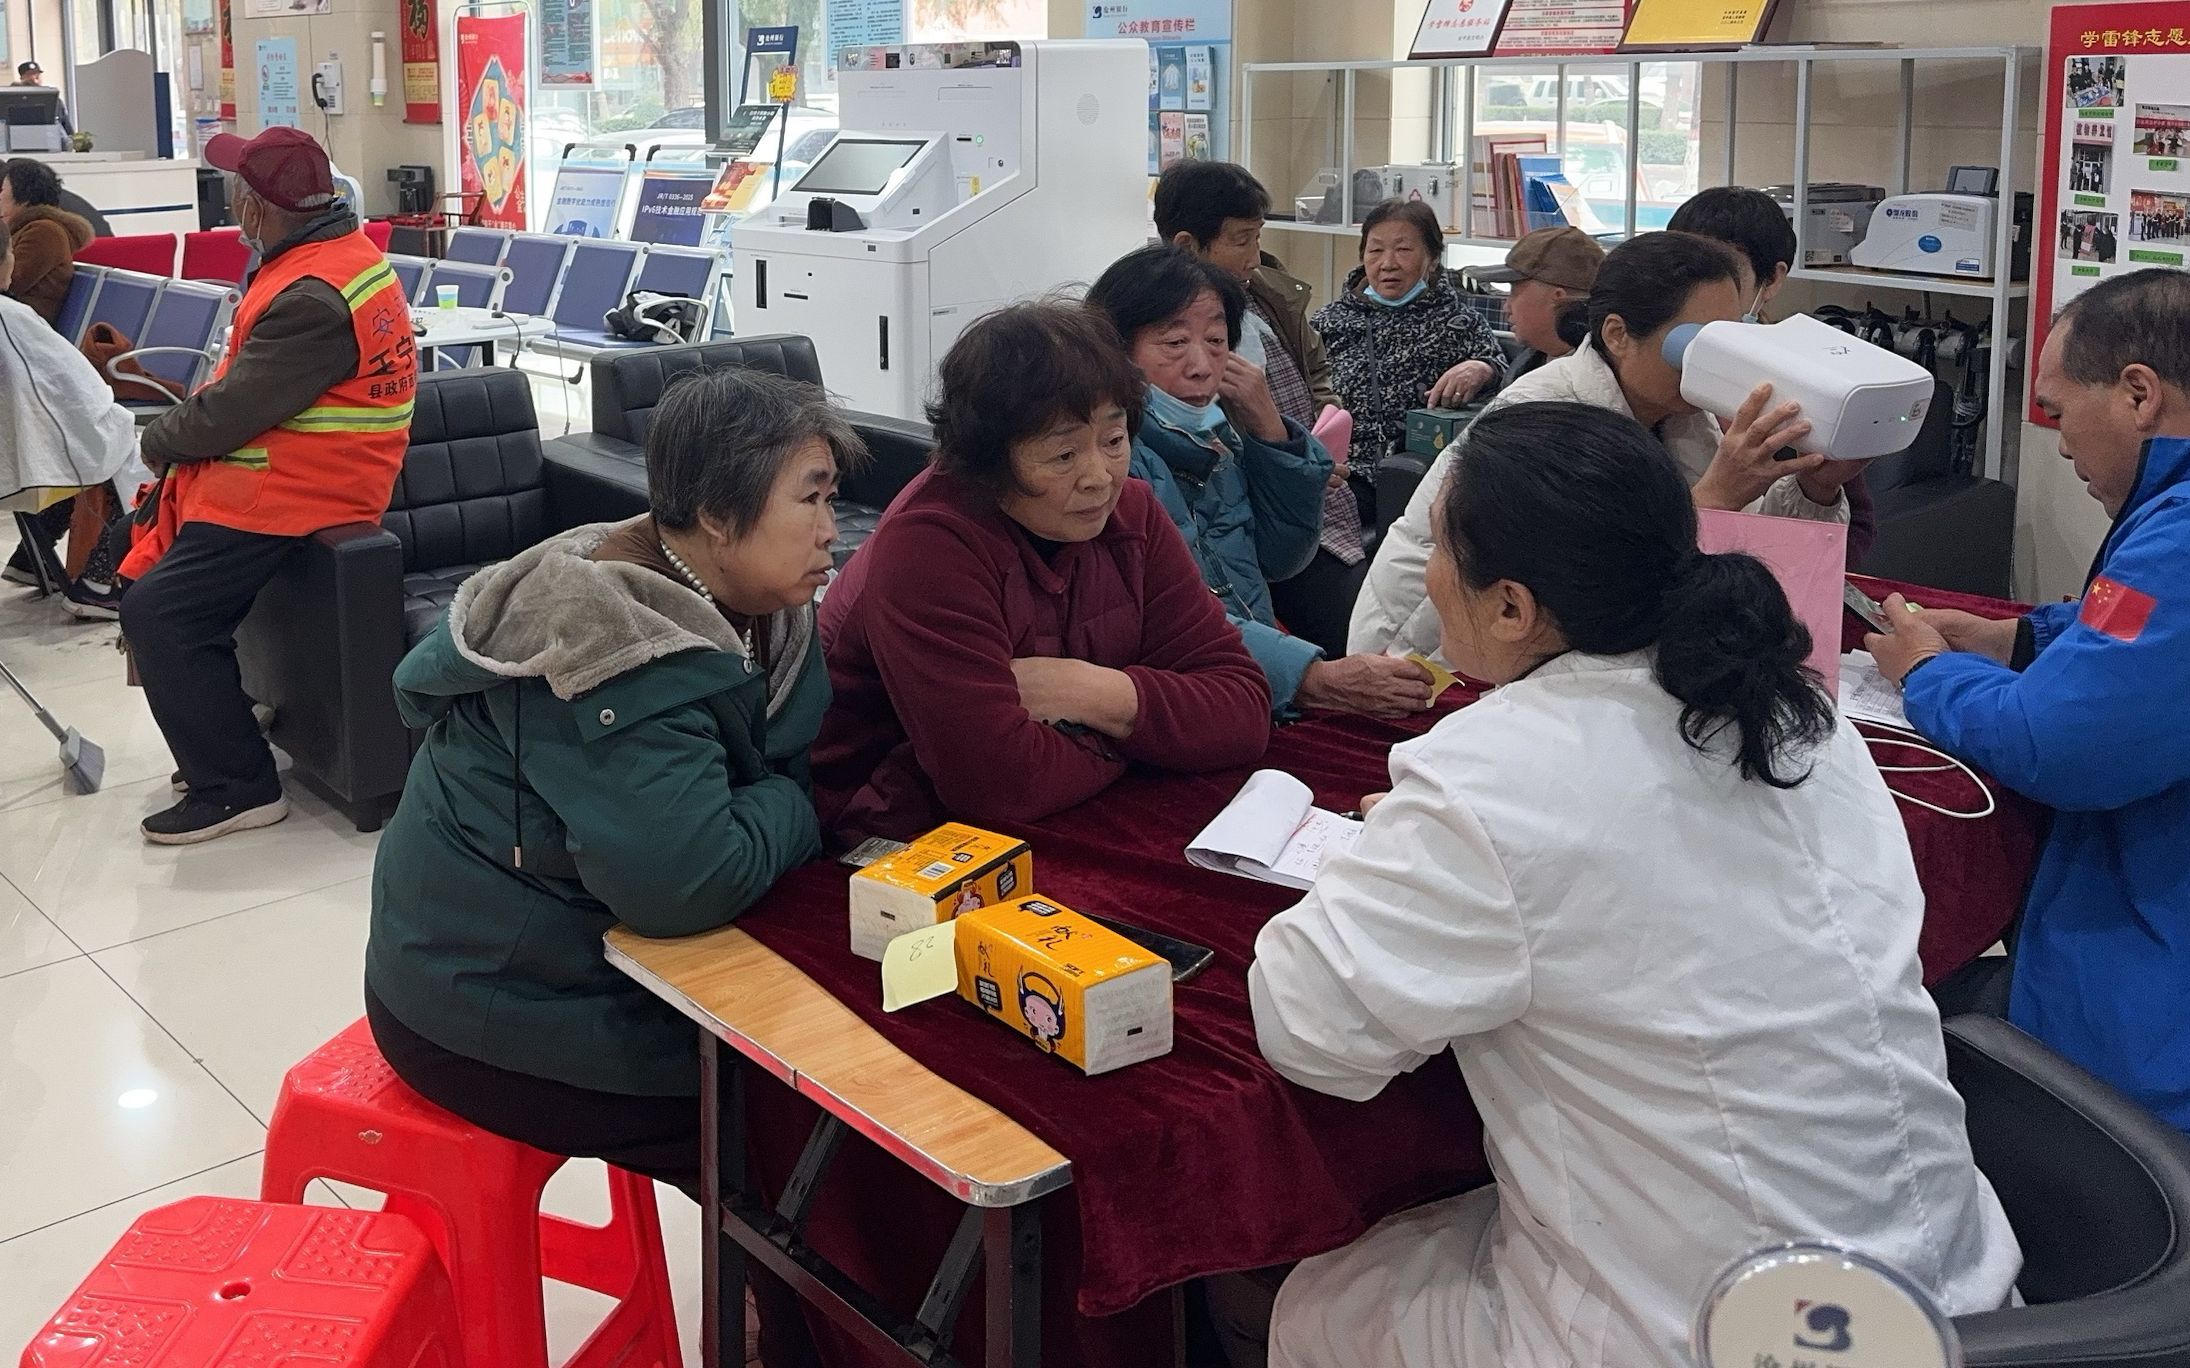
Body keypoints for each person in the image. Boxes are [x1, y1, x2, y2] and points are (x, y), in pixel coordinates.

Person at [1238, 401, 2019, 1368]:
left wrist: (1380, 855)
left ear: (1513, 607)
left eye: (1438, 549)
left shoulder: (1493, 772)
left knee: (1321, 1304)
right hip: (1957, 1295)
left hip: (1718, 1330)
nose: (1427, 578)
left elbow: (1309, 1030)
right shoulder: (1798, 713)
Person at [366, 368, 853, 1368]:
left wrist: (760, 809)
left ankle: (777, 1308)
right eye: (809, 499)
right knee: (787, 1133)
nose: (831, 530)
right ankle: (782, 1336)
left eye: (831, 497)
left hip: (586, 953)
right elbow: (685, 884)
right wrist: (791, 808)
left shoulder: (756, 600)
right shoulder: (611, 641)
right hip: (490, 1001)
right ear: (716, 515)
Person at [1866, 269, 2190, 1133]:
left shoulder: (2180, 538)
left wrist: (1928, 672)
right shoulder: (2169, 523)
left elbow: (2058, 746)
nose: (2058, 440)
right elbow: (2130, 627)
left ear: (2138, 394)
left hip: (2151, 1014)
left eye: (2056, 409)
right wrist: (2017, 639)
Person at [811, 300, 1273, 844]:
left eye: (1114, 441)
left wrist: (1092, 693)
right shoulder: (930, 544)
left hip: (1069, 813)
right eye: (1063, 455)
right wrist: (1149, 738)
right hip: (895, 834)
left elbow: (1244, 708)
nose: (1100, 477)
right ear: (988, 459)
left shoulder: (1133, 514)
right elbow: (998, 785)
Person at [1350, 231, 1860, 664]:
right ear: (1617, 335)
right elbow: (1591, 581)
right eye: (1698, 345)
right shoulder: (1544, 413)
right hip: (1427, 659)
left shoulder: (1682, 412)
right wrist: (1715, 496)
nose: (1715, 365)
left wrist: (1814, 488)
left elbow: (1749, 555)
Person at [117, 127, 415, 844]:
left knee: (159, 612)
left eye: (237, 194)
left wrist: (156, 442)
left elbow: (233, 410)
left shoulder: (313, 294)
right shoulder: (334, 258)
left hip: (299, 492)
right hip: (288, 479)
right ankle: (223, 725)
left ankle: (238, 786)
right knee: (152, 577)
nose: (231, 207)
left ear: (256, 208)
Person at [1087, 245, 1431, 721]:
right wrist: (1309, 678)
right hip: (1184, 705)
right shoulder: (1109, 464)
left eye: (1216, 340)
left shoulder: (1217, 437)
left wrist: (1272, 432)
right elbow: (1161, 618)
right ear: (1114, 351)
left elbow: (1281, 558)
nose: (1202, 365)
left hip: (1251, 691)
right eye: (1174, 342)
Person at [1153, 159, 1357, 656]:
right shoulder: (1159, 329)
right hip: (1259, 511)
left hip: (1312, 495)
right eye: (1241, 240)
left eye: (1258, 237)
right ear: (1187, 245)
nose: (1255, 255)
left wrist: (1316, 444)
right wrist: (1280, 450)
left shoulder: (1268, 294)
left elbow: (1315, 371)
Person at [1669, 185, 1878, 563]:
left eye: (1724, 270)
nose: (1700, 287)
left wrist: (1817, 489)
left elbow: (1853, 539)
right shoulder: (1658, 375)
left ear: (1773, 279)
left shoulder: (1808, 380)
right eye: (1681, 267)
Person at [0, 211, 145, 621]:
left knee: (82, 450)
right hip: (18, 454)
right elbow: (83, 397)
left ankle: (31, 557)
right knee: (127, 448)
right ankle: (98, 585)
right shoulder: (13, 320)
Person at [1313, 199, 1507, 481]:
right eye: (1375, 250)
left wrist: (1482, 368)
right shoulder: (1329, 321)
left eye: (1403, 250)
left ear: (1433, 258)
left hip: (1420, 471)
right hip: (1335, 466)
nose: (1388, 264)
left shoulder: (1459, 323)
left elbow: (1502, 372)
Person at [1466, 225, 1602, 383]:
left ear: (1558, 297)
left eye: (1514, 291)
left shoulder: (1591, 380)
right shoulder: (1533, 359)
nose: (1506, 307)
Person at [1, 158, 92, 325]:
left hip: (25, 326)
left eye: (1, 190)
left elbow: (9, 282)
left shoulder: (44, 231)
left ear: (23, 196)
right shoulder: (25, 228)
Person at [8, 62, 73, 135]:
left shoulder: (53, 100)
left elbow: (67, 128)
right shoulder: (15, 101)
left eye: (37, 74)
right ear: (22, 78)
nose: (35, 77)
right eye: (30, 74)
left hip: (51, 139)